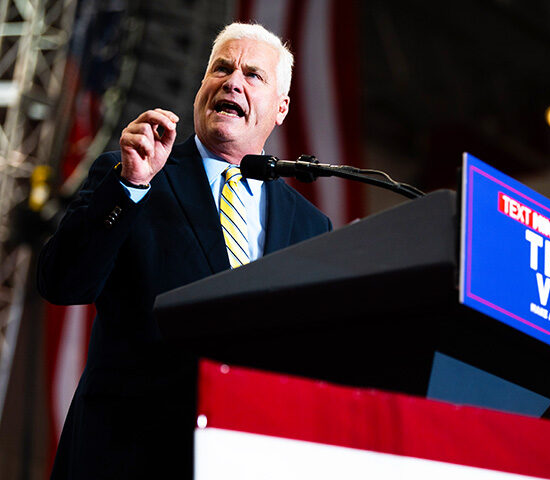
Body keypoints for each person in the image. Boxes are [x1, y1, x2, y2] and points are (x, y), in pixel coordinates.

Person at [37, 22, 332, 479]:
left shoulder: (311, 227)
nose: (232, 81)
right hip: (125, 457)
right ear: (201, 87)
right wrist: (131, 188)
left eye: (253, 75)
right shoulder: (135, 173)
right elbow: (62, 281)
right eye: (221, 68)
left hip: (239, 460)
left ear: (282, 108)